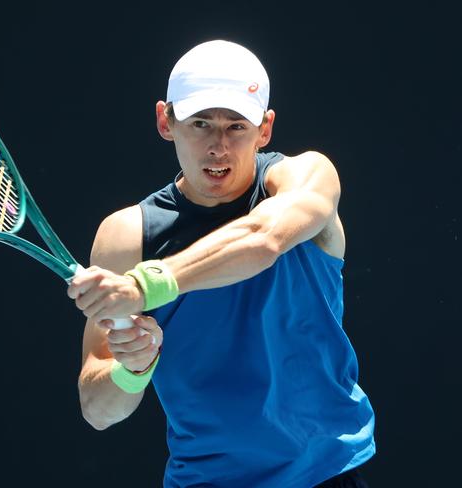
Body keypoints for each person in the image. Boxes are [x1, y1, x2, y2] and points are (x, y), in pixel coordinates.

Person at [67, 40, 375, 488]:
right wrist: (131, 370)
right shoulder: (127, 236)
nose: (218, 146)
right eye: (200, 124)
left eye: (236, 126)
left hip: (327, 476)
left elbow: (263, 238)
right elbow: (97, 410)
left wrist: (149, 285)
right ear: (165, 121)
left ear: (265, 129)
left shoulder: (307, 177)